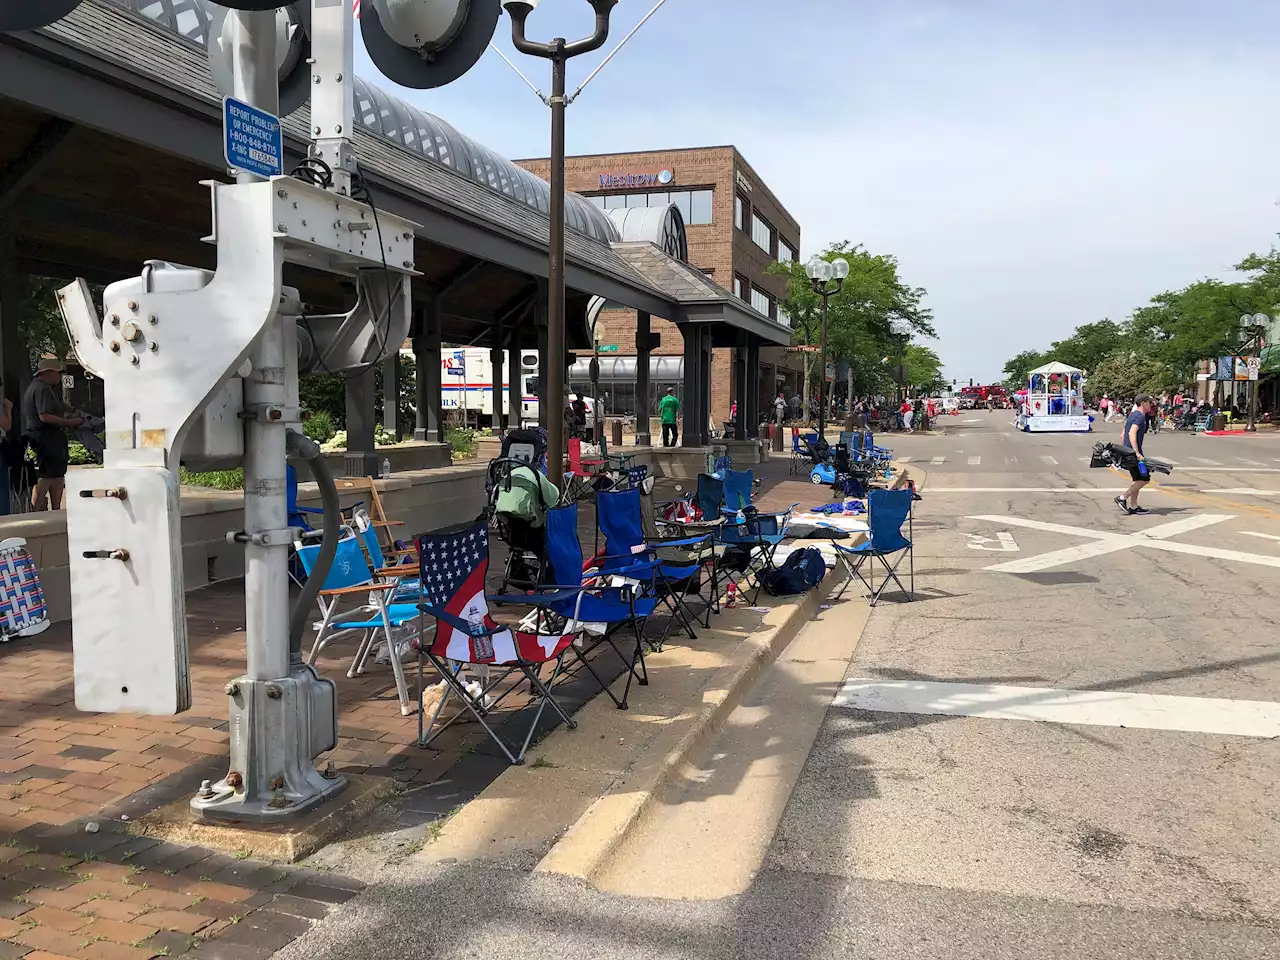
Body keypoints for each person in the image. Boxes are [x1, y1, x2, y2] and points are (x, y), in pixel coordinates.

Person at [22, 358, 81, 511]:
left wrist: (72, 410)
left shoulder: (42, 388)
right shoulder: (42, 388)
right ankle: (47, 511)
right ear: (48, 373)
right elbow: (44, 416)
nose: (59, 376)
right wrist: (70, 422)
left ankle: (53, 511)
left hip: (46, 439)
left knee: (54, 476)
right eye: (57, 373)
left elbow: (57, 404)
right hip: (45, 439)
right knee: (46, 477)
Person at [1115, 394, 1157, 516]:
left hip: (1128, 451)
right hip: (1133, 453)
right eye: (1149, 403)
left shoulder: (1132, 415)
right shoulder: (1139, 417)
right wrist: (1136, 452)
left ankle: (1133, 506)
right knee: (1144, 479)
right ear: (1143, 403)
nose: (1151, 405)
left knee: (1138, 479)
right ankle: (1122, 498)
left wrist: (1125, 449)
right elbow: (1131, 433)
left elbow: (1123, 434)